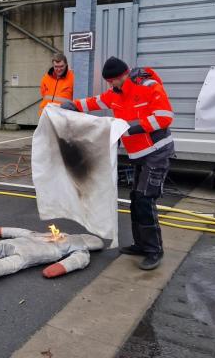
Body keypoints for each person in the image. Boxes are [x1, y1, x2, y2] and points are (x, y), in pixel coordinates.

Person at [62, 56, 174, 271]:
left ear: (122, 75)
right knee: (135, 198)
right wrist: (73, 105)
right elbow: (94, 102)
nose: (110, 85)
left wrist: (130, 127)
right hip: (139, 153)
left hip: (157, 152)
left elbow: (164, 117)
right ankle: (141, 244)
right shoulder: (115, 93)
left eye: (112, 81)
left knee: (144, 200)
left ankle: (154, 250)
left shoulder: (148, 87)